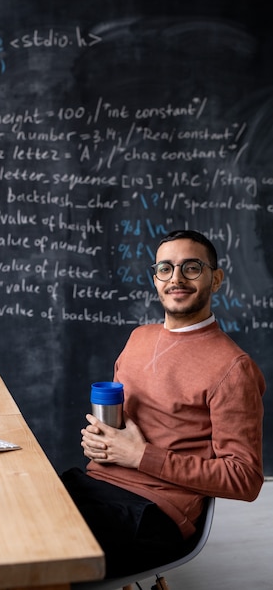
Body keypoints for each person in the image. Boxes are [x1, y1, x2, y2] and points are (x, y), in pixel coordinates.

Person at [62, 229, 265, 578]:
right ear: (155, 278)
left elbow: (245, 479)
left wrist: (140, 456)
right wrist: (101, 441)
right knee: (3, 515)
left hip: (153, 511)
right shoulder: (139, 338)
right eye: (165, 268)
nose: (176, 278)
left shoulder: (233, 368)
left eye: (191, 268)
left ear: (215, 279)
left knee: (28, 555)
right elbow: (125, 427)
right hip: (94, 485)